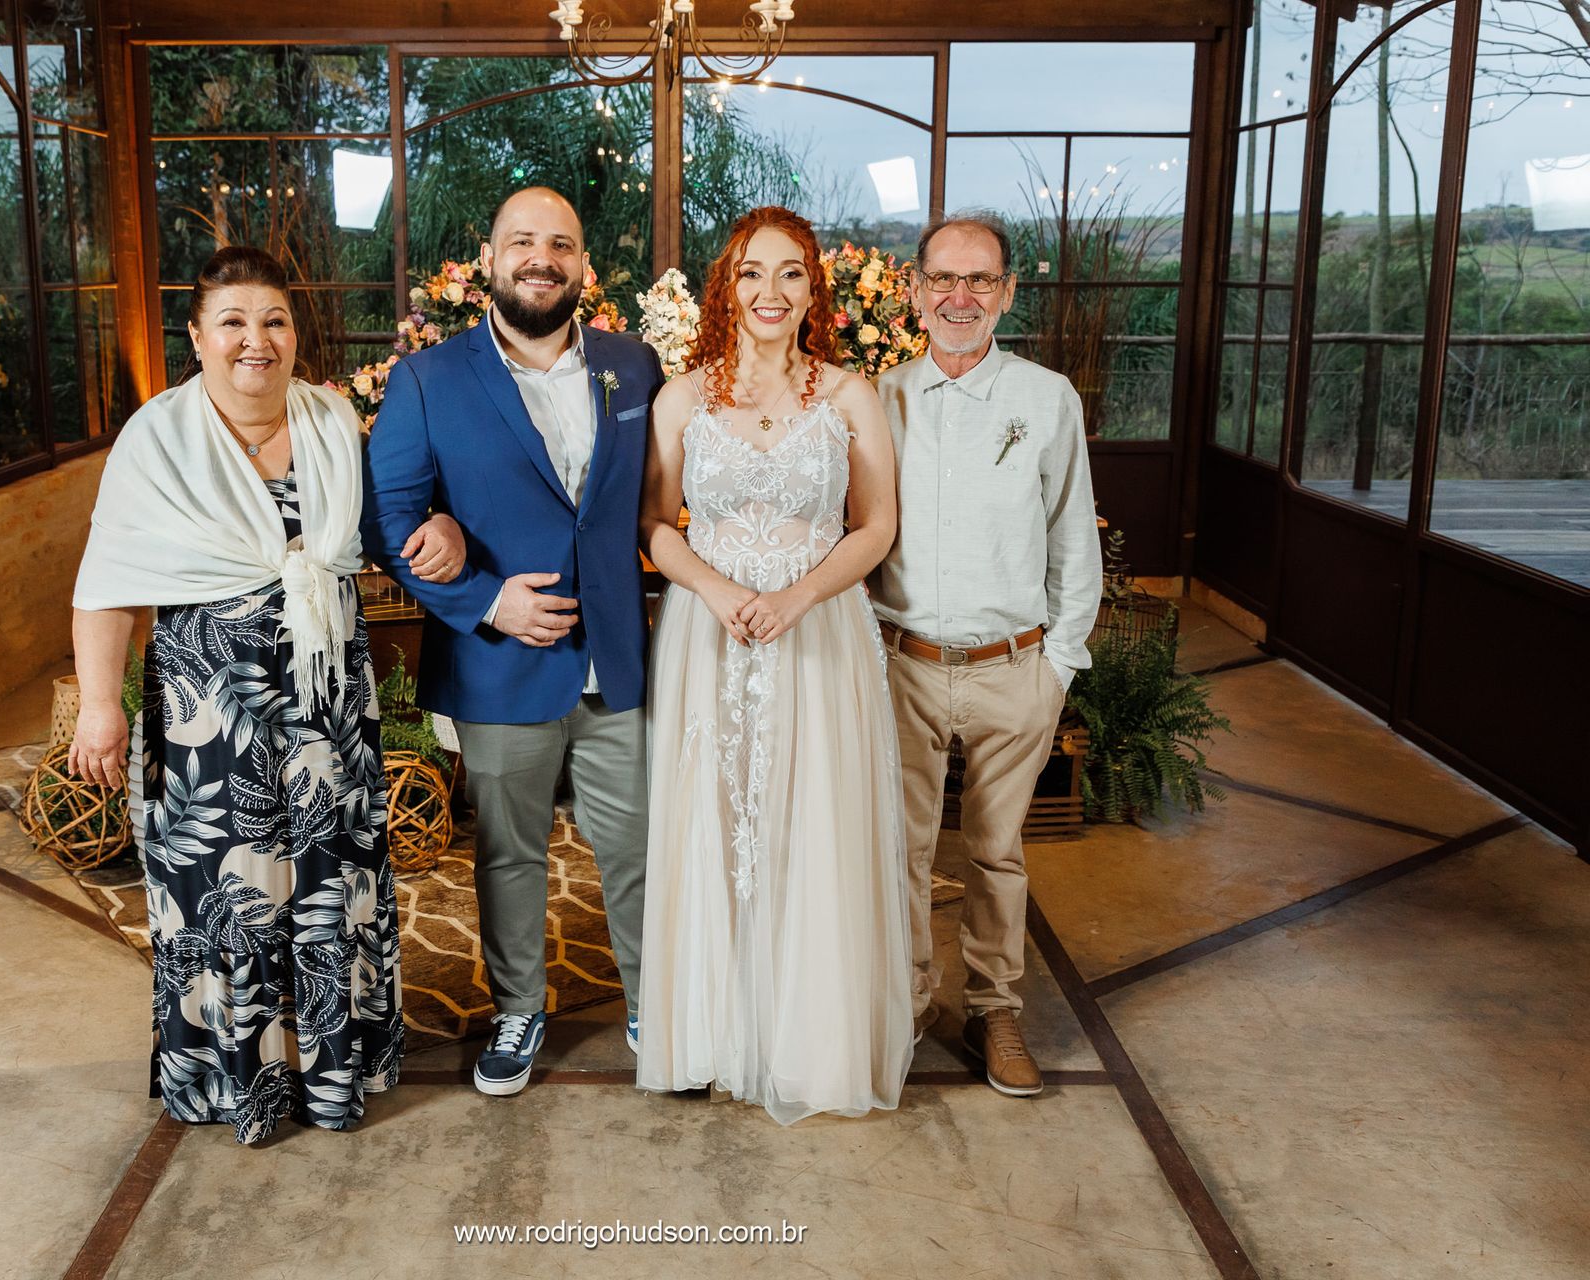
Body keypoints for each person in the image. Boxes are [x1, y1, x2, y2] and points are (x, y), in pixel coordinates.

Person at [68, 245, 465, 1143]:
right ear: (199, 337)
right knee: (228, 887)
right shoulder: (157, 439)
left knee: (330, 882)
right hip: (214, 718)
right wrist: (101, 705)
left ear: (296, 333)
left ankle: (335, 1068)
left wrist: (436, 522)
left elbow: (388, 522)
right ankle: (239, 1078)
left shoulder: (330, 420)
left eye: (275, 320)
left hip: (328, 711)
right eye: (235, 322)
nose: (258, 340)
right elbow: (104, 583)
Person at [360, 188, 663, 1097]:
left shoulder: (634, 366)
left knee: (640, 844)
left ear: (583, 267)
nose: (543, 258)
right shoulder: (427, 379)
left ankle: (659, 1004)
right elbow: (389, 520)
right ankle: (519, 1009)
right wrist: (487, 601)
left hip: (616, 657)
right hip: (498, 663)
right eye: (523, 242)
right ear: (489, 259)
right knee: (508, 852)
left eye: (561, 244)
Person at [635, 206, 913, 1125]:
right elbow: (653, 528)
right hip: (708, 635)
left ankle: (809, 1041)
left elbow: (876, 526)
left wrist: (800, 597)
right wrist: (717, 591)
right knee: (713, 826)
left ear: (813, 290)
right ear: (727, 285)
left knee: (812, 822)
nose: (769, 292)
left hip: (820, 632)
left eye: (791, 274)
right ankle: (711, 1034)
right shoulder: (683, 398)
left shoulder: (847, 397)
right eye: (752, 273)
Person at [871, 210, 1101, 1098]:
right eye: (943, 279)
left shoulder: (1046, 400)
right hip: (905, 665)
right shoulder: (879, 397)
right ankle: (908, 1004)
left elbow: (1073, 540)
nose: (959, 297)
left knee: (997, 853)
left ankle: (995, 1009)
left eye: (980, 281)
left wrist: (1061, 668)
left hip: (1016, 667)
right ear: (915, 289)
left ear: (1006, 293)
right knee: (901, 851)